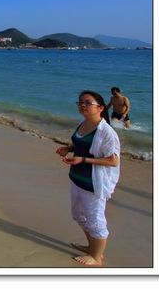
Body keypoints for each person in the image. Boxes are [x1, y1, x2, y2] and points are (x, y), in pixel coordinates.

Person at [55, 91, 120, 267]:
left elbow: (113, 160)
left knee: (95, 218)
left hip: (93, 183)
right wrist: (68, 148)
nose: (82, 105)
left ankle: (97, 257)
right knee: (78, 215)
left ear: (100, 108)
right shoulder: (83, 123)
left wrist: (83, 159)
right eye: (80, 102)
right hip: (77, 178)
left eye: (87, 102)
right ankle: (92, 247)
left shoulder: (107, 132)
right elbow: (83, 145)